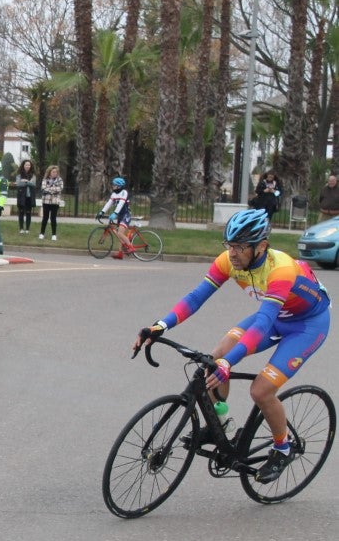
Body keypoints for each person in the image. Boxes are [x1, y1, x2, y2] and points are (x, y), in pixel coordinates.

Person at [134, 208, 331, 484]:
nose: (232, 253)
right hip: (275, 316)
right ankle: (220, 423)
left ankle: (283, 448)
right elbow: (196, 297)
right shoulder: (228, 261)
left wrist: (229, 363)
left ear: (261, 246)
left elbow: (262, 324)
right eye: (229, 245)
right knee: (214, 359)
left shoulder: (282, 269)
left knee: (261, 390)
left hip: (306, 326)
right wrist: (160, 326)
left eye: (240, 247)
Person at [100, 176, 136, 259]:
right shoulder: (114, 194)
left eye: (114, 185)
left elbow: (121, 203)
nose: (112, 186)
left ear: (119, 186)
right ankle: (120, 253)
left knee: (119, 233)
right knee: (120, 235)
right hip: (120, 215)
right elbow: (109, 203)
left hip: (126, 215)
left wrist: (115, 213)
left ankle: (131, 247)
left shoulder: (124, 192)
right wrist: (102, 212)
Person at [38, 164, 63, 240]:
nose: (55, 173)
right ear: (49, 172)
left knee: (53, 218)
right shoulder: (45, 180)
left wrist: (50, 189)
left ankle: (54, 235)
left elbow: (60, 188)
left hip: (55, 202)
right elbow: (44, 188)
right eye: (53, 172)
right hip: (46, 201)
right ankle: (42, 233)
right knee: (45, 218)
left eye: (56, 172)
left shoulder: (59, 180)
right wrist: (53, 190)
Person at [14, 158, 37, 234]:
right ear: (23, 166)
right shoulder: (19, 175)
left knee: (28, 213)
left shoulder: (33, 175)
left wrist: (26, 181)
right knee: (21, 212)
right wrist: (28, 182)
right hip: (21, 196)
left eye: (29, 165)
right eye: (26, 165)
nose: (27, 166)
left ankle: (27, 229)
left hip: (29, 197)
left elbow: (33, 184)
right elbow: (18, 184)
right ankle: (21, 228)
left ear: (31, 166)